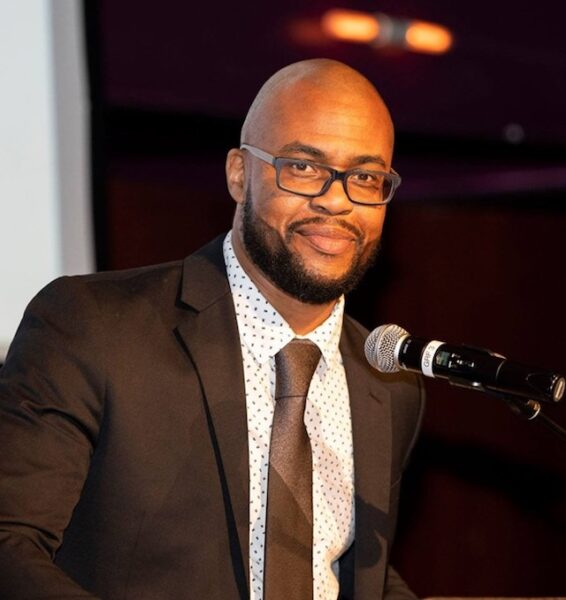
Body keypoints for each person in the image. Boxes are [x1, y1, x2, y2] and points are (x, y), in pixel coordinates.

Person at [0, 59, 424, 599]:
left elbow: (353, 573)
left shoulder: (389, 384)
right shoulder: (93, 327)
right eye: (303, 166)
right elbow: (9, 543)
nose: (336, 200)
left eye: (364, 177)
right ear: (239, 174)